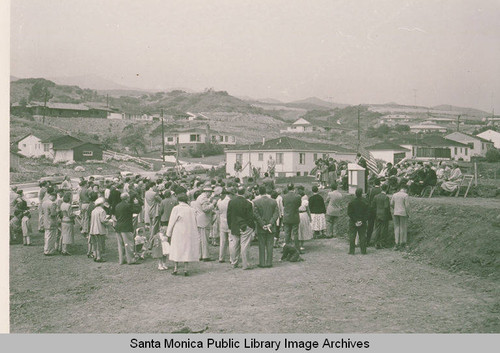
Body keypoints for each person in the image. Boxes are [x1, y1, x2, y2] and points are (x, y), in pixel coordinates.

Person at [166, 193, 200, 276]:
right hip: (188, 232)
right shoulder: (191, 209)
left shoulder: (176, 208)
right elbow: (195, 222)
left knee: (177, 248)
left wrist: (168, 233)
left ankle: (176, 268)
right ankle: (186, 269)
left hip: (178, 231)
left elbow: (171, 221)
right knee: (186, 249)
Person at [227, 187, 255, 269]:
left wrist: (230, 225)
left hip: (234, 225)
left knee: (234, 245)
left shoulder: (231, 202)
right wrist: (251, 226)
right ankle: (245, 264)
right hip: (244, 226)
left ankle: (234, 262)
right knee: (244, 245)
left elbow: (228, 215)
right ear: (244, 192)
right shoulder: (248, 203)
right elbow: (250, 217)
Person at [253, 186, 279, 268]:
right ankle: (269, 262)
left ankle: (262, 262)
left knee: (261, 244)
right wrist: (270, 223)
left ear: (259, 192)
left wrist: (262, 224)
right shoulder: (273, 201)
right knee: (270, 244)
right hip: (271, 226)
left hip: (261, 227)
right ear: (266, 191)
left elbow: (256, 215)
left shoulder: (256, 202)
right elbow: (276, 214)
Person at [114, 192, 142, 265]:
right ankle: (130, 259)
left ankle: (121, 260)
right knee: (129, 244)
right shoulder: (128, 205)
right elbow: (137, 210)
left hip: (118, 226)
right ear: (127, 198)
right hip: (126, 226)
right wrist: (136, 203)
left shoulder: (117, 205)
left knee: (120, 245)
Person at [192, 187, 217, 261]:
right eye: (210, 192)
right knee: (205, 239)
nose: (211, 194)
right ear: (207, 192)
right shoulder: (204, 198)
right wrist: (213, 204)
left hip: (199, 219)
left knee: (200, 239)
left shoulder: (200, 197)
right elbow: (205, 209)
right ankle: (205, 256)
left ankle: (200, 255)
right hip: (204, 220)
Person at [347, 188, 369, 255]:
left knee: (352, 236)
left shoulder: (351, 202)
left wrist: (355, 220)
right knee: (362, 236)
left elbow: (349, 213)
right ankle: (363, 251)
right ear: (361, 194)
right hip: (362, 221)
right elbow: (367, 213)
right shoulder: (365, 202)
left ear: (355, 194)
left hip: (353, 221)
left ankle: (352, 251)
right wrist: (362, 220)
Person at [89, 197, 110, 262]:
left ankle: (95, 255)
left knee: (95, 243)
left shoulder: (93, 210)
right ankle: (99, 257)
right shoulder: (102, 211)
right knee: (100, 243)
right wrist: (109, 221)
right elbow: (103, 220)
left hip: (93, 229)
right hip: (99, 229)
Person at [282, 184, 302, 251]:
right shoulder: (298, 196)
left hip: (287, 217)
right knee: (295, 233)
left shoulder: (284, 196)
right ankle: (297, 248)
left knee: (287, 234)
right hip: (295, 216)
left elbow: (283, 204)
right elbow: (299, 205)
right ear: (293, 188)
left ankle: (286, 249)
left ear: (287, 188)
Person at [372, 184, 392, 249]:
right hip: (384, 215)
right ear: (386, 189)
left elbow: (373, 206)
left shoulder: (376, 196)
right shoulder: (386, 197)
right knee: (384, 229)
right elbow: (386, 207)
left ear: (381, 188)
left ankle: (376, 242)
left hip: (377, 214)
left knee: (377, 229)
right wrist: (388, 215)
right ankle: (383, 243)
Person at [216, 189, 231, 263]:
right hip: (227, 221)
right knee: (229, 241)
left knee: (224, 241)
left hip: (223, 221)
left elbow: (218, 211)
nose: (220, 195)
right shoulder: (228, 200)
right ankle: (229, 258)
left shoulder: (219, 201)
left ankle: (222, 257)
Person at [41, 191, 59, 256]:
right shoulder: (52, 204)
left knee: (47, 236)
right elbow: (53, 214)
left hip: (45, 220)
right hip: (51, 222)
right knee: (51, 237)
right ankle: (49, 250)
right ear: (53, 196)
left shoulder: (44, 202)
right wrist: (57, 211)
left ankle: (46, 249)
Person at [366, 179, 382, 245]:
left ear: (374, 183)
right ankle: (376, 241)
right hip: (378, 209)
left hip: (371, 209)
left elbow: (367, 199)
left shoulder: (370, 190)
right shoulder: (381, 190)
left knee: (370, 226)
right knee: (378, 226)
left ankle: (368, 241)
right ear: (380, 183)